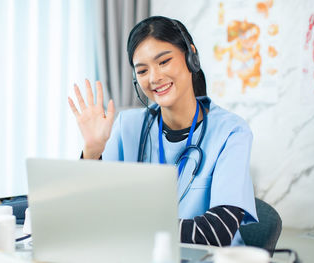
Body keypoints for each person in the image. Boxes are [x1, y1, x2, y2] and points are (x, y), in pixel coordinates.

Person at [68, 16, 257, 246]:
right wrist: (92, 151)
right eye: (142, 70)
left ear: (191, 57)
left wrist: (125, 224)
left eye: (164, 61)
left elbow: (216, 233)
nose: (154, 77)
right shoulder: (127, 126)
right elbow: (87, 212)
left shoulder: (231, 132)